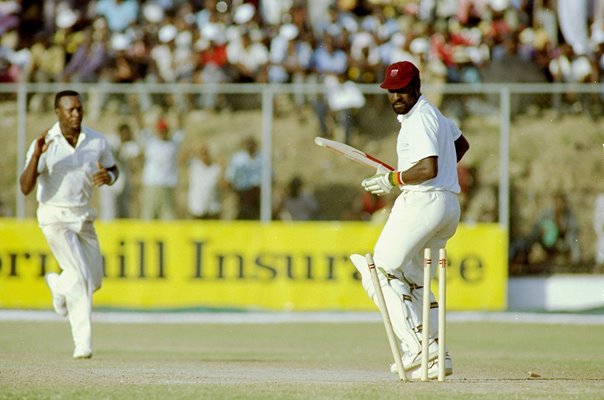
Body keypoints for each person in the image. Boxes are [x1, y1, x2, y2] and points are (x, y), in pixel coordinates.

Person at [349, 61, 470, 380]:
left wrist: (394, 178)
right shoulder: (436, 116)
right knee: (415, 278)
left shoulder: (419, 119)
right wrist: (415, 173)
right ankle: (435, 356)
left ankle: (417, 346)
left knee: (378, 272)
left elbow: (428, 168)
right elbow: (461, 145)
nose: (396, 96)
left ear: (417, 86)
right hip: (447, 206)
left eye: (402, 89)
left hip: (424, 201)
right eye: (391, 91)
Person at [19, 90, 119, 359]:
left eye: (79, 109)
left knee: (94, 280)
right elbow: (25, 187)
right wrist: (36, 157)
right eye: (70, 110)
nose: (76, 114)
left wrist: (108, 176)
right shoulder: (45, 143)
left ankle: (56, 284)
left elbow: (113, 169)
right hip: (54, 215)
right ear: (58, 113)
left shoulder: (96, 140)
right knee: (79, 279)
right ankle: (82, 345)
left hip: (83, 215)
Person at [509, 192, 581, 274]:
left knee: (573, 240)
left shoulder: (569, 216)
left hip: (559, 242)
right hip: (544, 240)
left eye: (561, 203)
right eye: (557, 202)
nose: (559, 205)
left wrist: (562, 230)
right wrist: (543, 230)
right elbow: (537, 225)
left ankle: (576, 265)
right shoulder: (547, 213)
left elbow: (573, 230)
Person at [136, 114, 184, 220]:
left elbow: (180, 130)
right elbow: (141, 127)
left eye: (164, 130)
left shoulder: (173, 144)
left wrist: (179, 113)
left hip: (167, 185)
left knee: (168, 216)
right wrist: (136, 109)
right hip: (151, 184)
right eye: (161, 131)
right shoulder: (151, 142)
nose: (162, 133)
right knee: (148, 215)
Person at [225, 136, 262, 220]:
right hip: (242, 195)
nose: (250, 146)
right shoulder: (238, 159)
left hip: (257, 196)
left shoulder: (262, 158)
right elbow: (230, 177)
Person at [183, 143, 223, 219]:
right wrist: (193, 150)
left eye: (206, 153)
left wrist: (223, 169)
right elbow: (182, 158)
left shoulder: (216, 168)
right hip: (197, 208)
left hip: (212, 209)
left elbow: (223, 186)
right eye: (202, 154)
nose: (204, 156)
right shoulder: (194, 165)